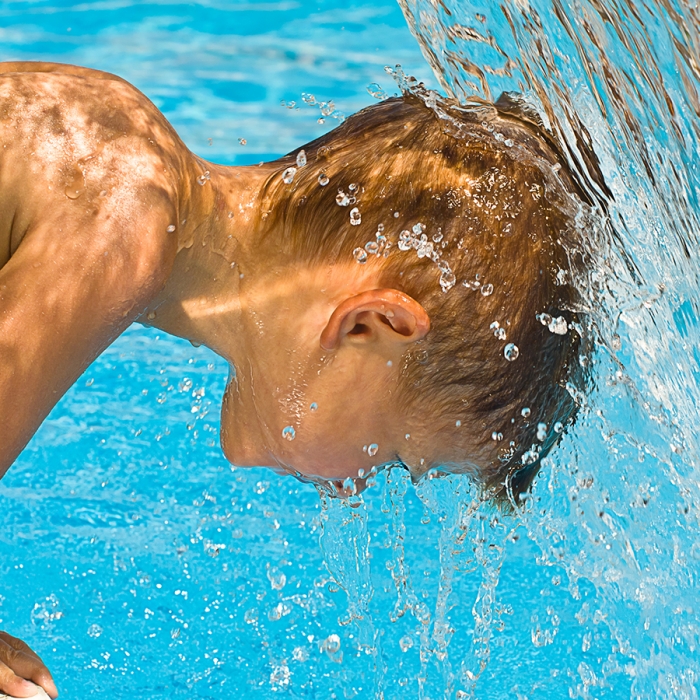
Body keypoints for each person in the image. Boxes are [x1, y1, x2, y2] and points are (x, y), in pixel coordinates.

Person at [0, 61, 585, 697]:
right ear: (367, 326)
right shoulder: (126, 219)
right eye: (391, 456)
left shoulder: (122, 147)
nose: (352, 488)